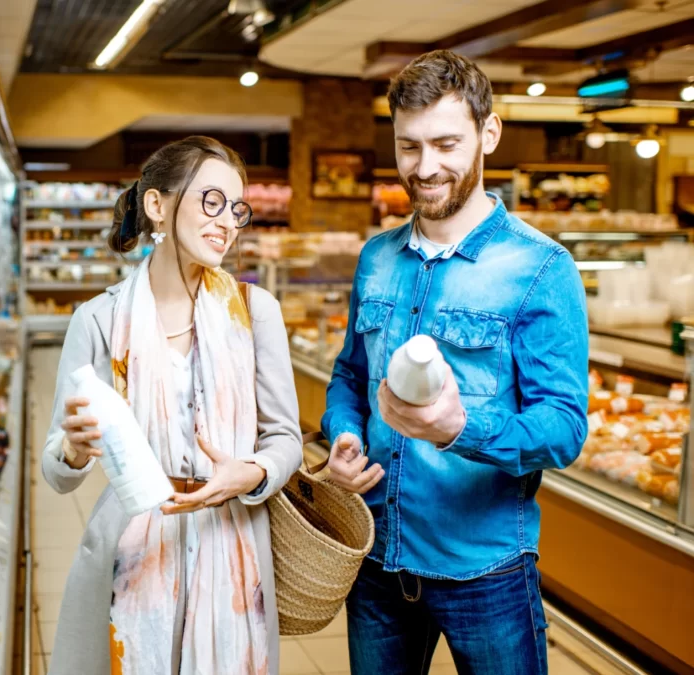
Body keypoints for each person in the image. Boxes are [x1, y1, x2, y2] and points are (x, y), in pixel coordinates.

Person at [322, 50, 588, 675]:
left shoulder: (541, 269)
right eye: (408, 147)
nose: (426, 167)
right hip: (377, 563)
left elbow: (564, 427)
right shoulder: (377, 258)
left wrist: (457, 429)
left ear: (488, 133)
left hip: (486, 573)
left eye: (446, 143)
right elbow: (350, 377)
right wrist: (344, 433)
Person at [41, 136, 303, 675]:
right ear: (157, 205)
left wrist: (250, 472)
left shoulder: (256, 313)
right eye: (210, 201)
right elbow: (57, 475)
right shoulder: (97, 320)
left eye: (236, 208)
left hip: (232, 548)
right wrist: (72, 447)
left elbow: (286, 441)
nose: (227, 221)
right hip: (129, 552)